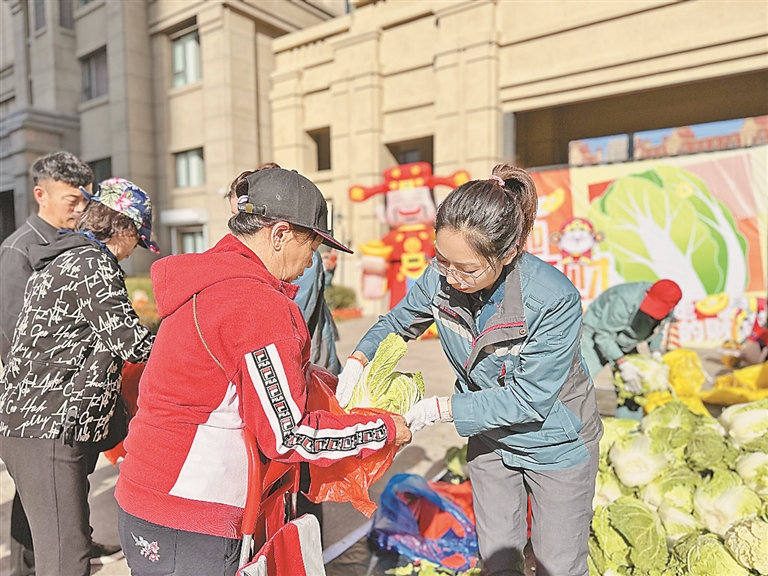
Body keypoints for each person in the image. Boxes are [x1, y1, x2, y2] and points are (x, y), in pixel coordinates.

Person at [115, 167, 411, 576]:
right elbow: (288, 436)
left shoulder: (209, 281)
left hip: (145, 496)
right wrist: (383, 429)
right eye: (312, 246)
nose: (312, 262)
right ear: (280, 234)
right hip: (191, 514)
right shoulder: (255, 304)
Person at [335, 165, 603, 576]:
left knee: (558, 565)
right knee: (497, 560)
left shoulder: (552, 299)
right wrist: (358, 362)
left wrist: (438, 410)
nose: (452, 278)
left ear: (507, 255)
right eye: (443, 260)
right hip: (490, 438)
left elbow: (529, 399)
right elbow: (397, 324)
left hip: (555, 442)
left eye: (468, 269)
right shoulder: (440, 278)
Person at [0, 177, 158, 576]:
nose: (133, 251)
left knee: (51, 549)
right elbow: (133, 343)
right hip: (50, 426)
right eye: (138, 240)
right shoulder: (93, 264)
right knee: (67, 561)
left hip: (35, 423)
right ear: (123, 227)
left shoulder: (61, 257)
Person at [0, 151, 112, 576]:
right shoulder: (19, 250)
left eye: (86, 200)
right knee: (36, 495)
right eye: (72, 200)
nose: (81, 208)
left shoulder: (75, 242)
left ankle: (71, 542)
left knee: (63, 495)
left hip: (72, 399)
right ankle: (25, 567)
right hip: (41, 403)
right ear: (40, 194)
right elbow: (14, 337)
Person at [580, 279, 682, 420]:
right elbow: (603, 336)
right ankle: (566, 426)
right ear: (647, 292)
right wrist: (622, 363)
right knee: (579, 381)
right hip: (596, 335)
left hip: (627, 341)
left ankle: (629, 426)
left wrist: (656, 352)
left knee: (634, 386)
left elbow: (657, 331)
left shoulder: (667, 307)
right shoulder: (624, 299)